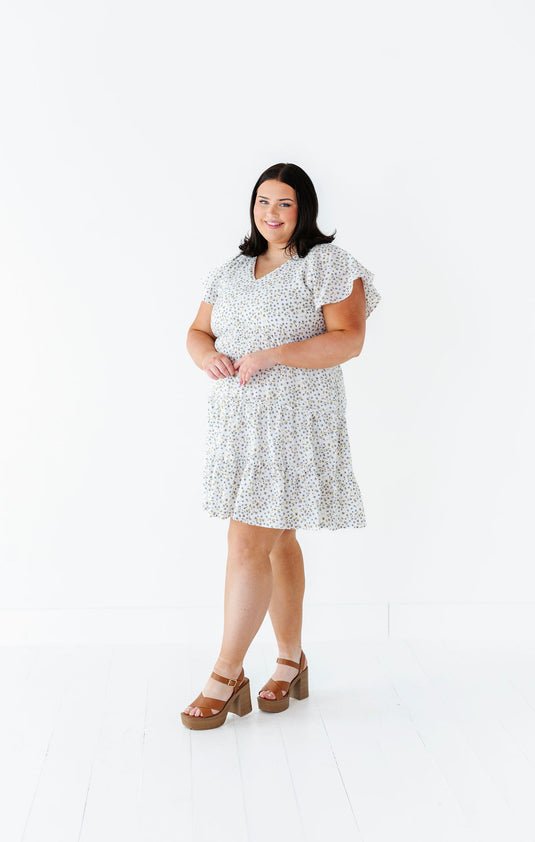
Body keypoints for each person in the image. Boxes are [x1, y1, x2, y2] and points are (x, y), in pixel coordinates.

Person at [181, 162, 381, 730]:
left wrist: (273, 354)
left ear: (305, 209)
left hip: (295, 424)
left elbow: (349, 339)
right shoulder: (231, 271)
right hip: (240, 426)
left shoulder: (327, 265)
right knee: (277, 540)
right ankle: (291, 662)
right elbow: (197, 332)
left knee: (246, 542)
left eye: (284, 204)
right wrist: (207, 356)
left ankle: (227, 673)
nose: (271, 213)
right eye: (263, 202)